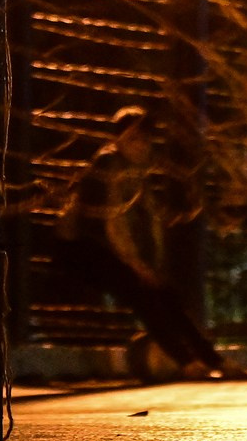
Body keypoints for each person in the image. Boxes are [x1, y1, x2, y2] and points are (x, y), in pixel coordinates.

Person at [46, 106, 230, 380]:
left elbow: (151, 225)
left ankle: (213, 360)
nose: (142, 145)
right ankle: (188, 362)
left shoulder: (138, 172)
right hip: (80, 249)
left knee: (165, 294)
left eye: (145, 139)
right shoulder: (108, 164)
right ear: (118, 140)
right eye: (134, 139)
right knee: (142, 294)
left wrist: (153, 267)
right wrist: (137, 265)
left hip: (110, 250)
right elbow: (112, 224)